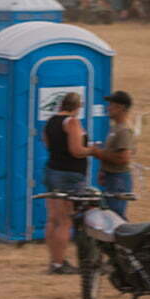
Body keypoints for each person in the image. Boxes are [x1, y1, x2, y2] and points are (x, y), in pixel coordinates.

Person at [42, 92, 97, 275]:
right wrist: (93, 150)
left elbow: (47, 143)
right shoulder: (72, 122)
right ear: (77, 106)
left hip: (52, 170)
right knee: (65, 221)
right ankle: (59, 263)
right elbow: (76, 150)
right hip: (69, 174)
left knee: (53, 219)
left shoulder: (50, 122)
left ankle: (54, 261)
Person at [92, 91, 135, 220]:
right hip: (112, 177)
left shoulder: (124, 130)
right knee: (111, 216)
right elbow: (112, 153)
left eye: (111, 105)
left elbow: (123, 158)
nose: (108, 107)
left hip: (119, 179)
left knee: (115, 218)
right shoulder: (115, 128)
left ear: (121, 108)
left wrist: (97, 153)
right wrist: (103, 170)